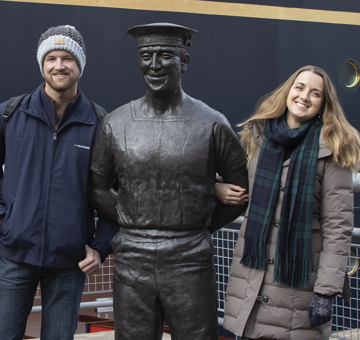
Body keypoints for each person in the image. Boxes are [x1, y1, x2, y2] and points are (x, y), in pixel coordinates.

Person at [89, 23, 249, 340]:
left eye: (165, 55)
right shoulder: (115, 123)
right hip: (132, 261)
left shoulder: (212, 123)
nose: (154, 65)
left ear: (184, 62)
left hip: (190, 262)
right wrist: (128, 217)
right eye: (147, 56)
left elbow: (241, 192)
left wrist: (199, 226)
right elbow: (96, 187)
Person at [0, 25, 118, 340]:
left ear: (80, 65)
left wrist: (101, 246)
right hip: (15, 255)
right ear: (42, 63)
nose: (59, 65)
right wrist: (1, 221)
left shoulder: (101, 124)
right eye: (51, 58)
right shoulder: (9, 114)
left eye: (67, 58)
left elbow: (117, 194)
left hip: (69, 263)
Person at [220, 65, 360, 339]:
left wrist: (326, 291)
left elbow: (338, 226)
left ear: (323, 104)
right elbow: (244, 187)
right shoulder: (259, 138)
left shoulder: (333, 149)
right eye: (299, 87)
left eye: (315, 93)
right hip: (253, 280)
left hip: (299, 288)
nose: (304, 97)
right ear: (288, 92)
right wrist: (218, 189)